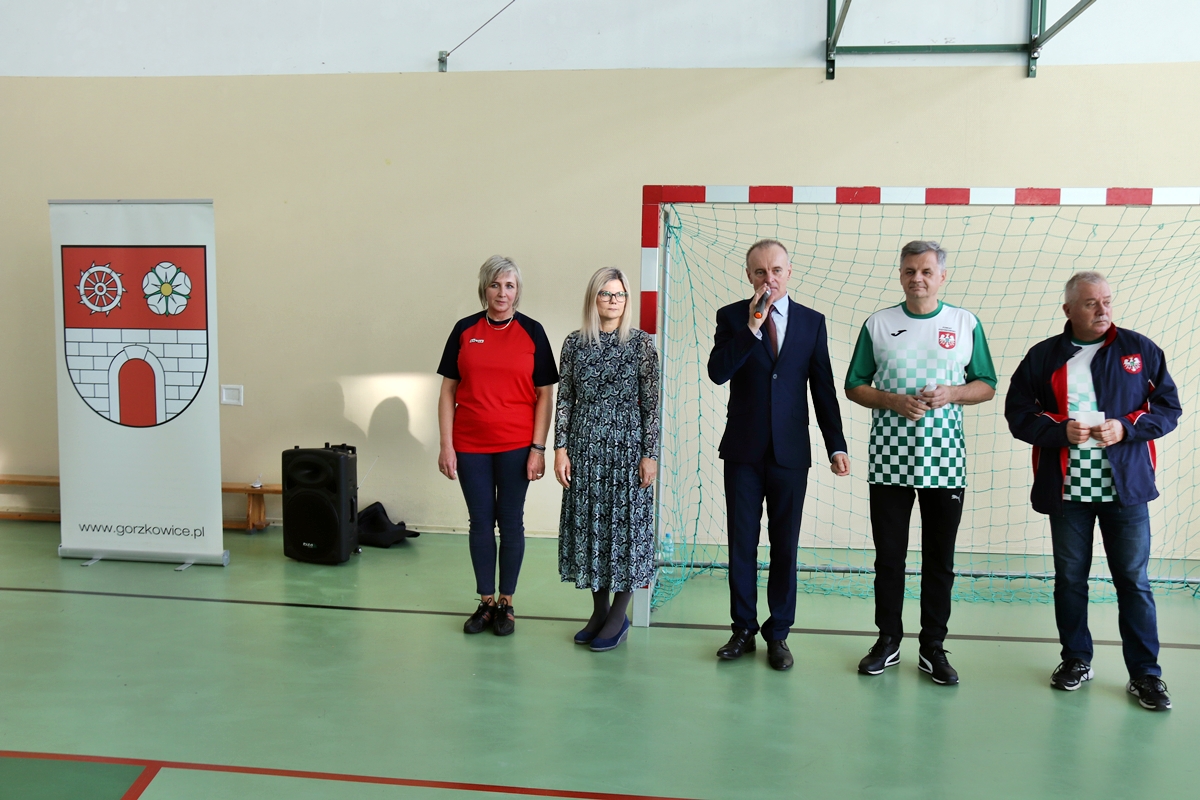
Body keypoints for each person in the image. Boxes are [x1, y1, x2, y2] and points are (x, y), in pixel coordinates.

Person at [1006, 271, 1180, 711]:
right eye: (1090, 303)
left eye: (1107, 301)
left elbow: (1167, 407)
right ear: (1068, 310)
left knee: (1134, 581)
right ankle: (1076, 660)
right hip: (1067, 492)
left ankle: (1145, 674)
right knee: (1070, 580)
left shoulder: (1139, 350)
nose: (1103, 310)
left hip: (1127, 490)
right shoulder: (1043, 356)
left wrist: (1127, 427)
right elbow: (1018, 414)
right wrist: (1060, 430)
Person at [845, 240, 996, 686]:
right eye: (910, 270)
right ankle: (888, 640)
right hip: (890, 460)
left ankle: (933, 647)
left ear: (942, 276)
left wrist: (953, 393)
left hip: (945, 461)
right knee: (889, 559)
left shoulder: (964, 323)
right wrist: (893, 401)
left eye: (927, 271)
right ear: (900, 275)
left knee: (939, 560)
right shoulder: (879, 324)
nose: (918, 278)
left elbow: (987, 384)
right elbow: (854, 385)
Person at [707, 239, 850, 671]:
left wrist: (836, 444)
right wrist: (753, 326)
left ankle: (779, 633)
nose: (768, 278)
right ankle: (742, 629)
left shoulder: (811, 322)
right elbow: (718, 372)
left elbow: (822, 387)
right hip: (743, 450)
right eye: (759, 272)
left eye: (776, 270)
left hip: (790, 452)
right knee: (742, 543)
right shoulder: (731, 317)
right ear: (749, 275)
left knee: (785, 545)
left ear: (789, 272)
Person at [436, 255, 559, 637]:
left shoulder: (533, 332)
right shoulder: (464, 330)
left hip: (516, 446)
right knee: (479, 521)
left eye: (509, 285)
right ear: (484, 289)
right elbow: (447, 391)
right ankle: (486, 602)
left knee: (510, 521)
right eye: (495, 285)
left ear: (517, 291)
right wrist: (446, 445)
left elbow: (545, 395)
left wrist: (538, 449)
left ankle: (507, 602)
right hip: (469, 444)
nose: (502, 292)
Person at [553, 268, 660, 652]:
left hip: (627, 450)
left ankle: (619, 615)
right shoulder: (574, 343)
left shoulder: (641, 344)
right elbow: (565, 399)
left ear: (627, 300)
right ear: (593, 298)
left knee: (626, 531)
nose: (614, 300)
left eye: (620, 294)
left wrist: (650, 455)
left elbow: (651, 406)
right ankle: (599, 612)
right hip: (585, 450)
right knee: (591, 529)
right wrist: (560, 448)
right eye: (606, 293)